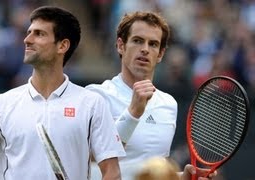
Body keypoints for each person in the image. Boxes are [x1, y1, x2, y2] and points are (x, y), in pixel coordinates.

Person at [0, 6, 125, 180]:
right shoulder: (0, 104)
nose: (27, 39)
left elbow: (112, 172)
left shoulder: (92, 103)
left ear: (62, 46)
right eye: (28, 33)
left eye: (39, 34)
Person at [86, 11, 217, 180]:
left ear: (161, 54)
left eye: (153, 44)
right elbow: (88, 157)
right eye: (137, 41)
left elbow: (149, 171)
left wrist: (181, 177)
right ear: (121, 46)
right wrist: (133, 113)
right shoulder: (95, 95)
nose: (145, 49)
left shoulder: (169, 104)